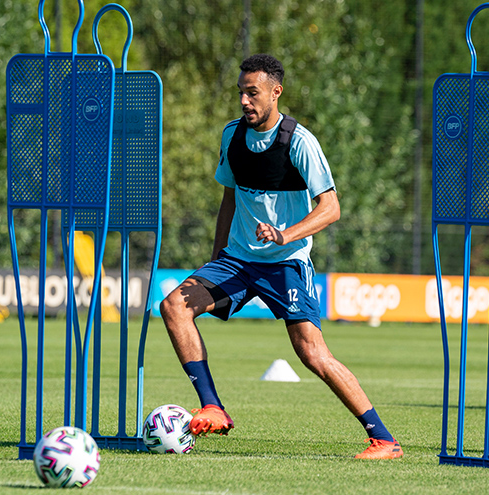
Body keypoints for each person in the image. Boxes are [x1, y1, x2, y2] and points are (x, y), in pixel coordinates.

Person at [159, 54, 403, 460]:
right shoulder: (231, 137)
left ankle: (383, 440)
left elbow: (331, 208)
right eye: (240, 92)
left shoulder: (299, 142)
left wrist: (284, 234)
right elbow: (229, 197)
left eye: (252, 92)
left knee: (312, 353)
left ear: (276, 92)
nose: (243, 100)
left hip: (287, 262)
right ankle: (213, 408)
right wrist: (216, 255)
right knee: (174, 306)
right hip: (237, 260)